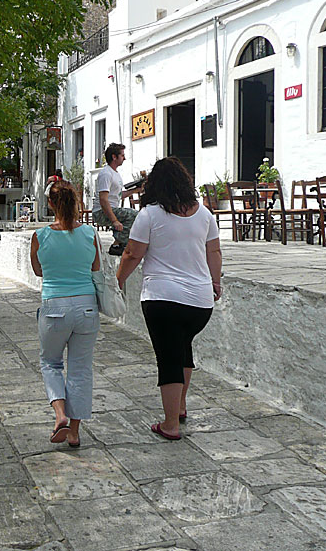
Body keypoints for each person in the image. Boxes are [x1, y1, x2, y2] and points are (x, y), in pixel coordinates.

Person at [115, 158, 223, 441]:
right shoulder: (205, 215)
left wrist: (117, 281)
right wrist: (216, 281)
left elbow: (132, 254)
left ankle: (170, 423)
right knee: (183, 349)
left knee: (169, 358)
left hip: (162, 299)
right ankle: (181, 405)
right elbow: (214, 252)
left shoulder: (149, 215)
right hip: (200, 302)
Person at [30, 180, 100, 448]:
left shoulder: (41, 236)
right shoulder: (89, 234)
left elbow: (38, 270)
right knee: (81, 369)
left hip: (54, 306)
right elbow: (95, 267)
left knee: (50, 362)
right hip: (86, 306)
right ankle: (74, 432)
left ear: (50, 204)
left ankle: (60, 415)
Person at [92, 143, 141, 256]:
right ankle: (117, 244)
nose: (125, 158)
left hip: (111, 209)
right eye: (122, 155)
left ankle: (121, 243)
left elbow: (118, 195)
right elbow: (103, 200)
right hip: (100, 212)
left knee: (135, 216)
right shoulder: (106, 174)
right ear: (114, 157)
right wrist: (114, 220)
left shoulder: (115, 174)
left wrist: (136, 190)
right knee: (134, 214)